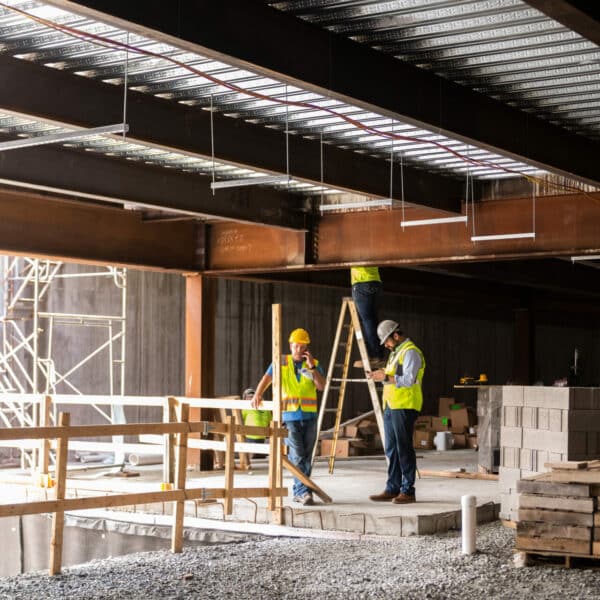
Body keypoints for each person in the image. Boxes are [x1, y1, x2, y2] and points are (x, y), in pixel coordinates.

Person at [251, 328, 325, 506]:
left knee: (307, 456)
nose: (298, 349)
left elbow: (321, 386)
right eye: (296, 345)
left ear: (307, 347)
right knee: (297, 455)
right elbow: (267, 378)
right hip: (290, 416)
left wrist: (312, 368)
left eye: (302, 346)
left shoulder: (314, 363)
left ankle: (302, 490)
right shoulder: (281, 362)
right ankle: (302, 491)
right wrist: (258, 394)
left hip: (309, 416)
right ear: (290, 345)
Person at [366, 319, 425, 504]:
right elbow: (393, 376)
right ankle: (393, 488)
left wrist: (386, 376)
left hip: (405, 406)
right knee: (391, 449)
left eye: (388, 341)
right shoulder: (395, 353)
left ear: (396, 335)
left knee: (404, 449)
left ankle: (408, 490)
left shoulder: (411, 352)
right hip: (391, 406)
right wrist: (381, 375)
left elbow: (407, 379)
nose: (387, 345)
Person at [351, 266, 385, 369]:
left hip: (361, 282)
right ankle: (379, 355)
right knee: (373, 321)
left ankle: (375, 356)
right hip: (376, 282)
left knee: (368, 322)